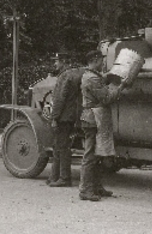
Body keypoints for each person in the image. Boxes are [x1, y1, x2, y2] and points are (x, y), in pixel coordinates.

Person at [79, 50, 126, 201]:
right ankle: (85, 190)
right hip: (93, 119)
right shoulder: (92, 78)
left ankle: (96, 187)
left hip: (93, 118)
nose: (103, 63)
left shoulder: (93, 76)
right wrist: (120, 87)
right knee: (90, 155)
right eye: (101, 61)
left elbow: (102, 81)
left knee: (98, 154)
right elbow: (106, 98)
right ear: (95, 60)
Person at [47, 52, 84, 187]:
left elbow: (59, 99)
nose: (55, 64)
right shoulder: (76, 73)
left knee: (61, 147)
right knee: (60, 145)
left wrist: (54, 118)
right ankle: (54, 176)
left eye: (56, 61)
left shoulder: (64, 76)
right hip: (71, 115)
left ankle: (64, 178)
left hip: (63, 116)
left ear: (63, 61)